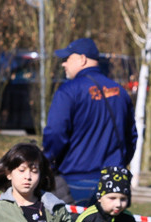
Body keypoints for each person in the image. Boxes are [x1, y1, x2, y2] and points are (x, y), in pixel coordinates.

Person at [43, 37, 137, 203]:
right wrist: (119, 164)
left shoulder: (68, 91)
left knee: (73, 221)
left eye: (67, 58)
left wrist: (47, 162)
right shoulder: (120, 92)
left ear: (82, 59)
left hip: (76, 180)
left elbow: (56, 133)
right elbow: (131, 137)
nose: (63, 64)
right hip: (113, 183)